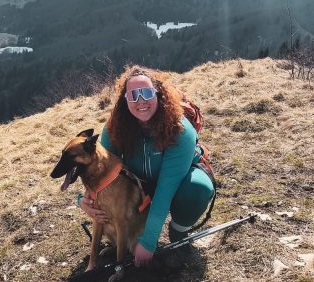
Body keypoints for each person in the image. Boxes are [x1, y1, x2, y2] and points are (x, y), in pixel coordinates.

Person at [78, 65, 215, 267]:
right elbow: (101, 169)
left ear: (158, 94)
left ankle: (178, 230)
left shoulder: (180, 130)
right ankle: (130, 232)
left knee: (198, 188)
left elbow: (165, 191)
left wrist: (149, 242)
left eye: (146, 93)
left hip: (174, 183)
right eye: (133, 95)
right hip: (137, 185)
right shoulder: (115, 126)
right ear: (125, 100)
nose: (140, 100)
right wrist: (83, 199)